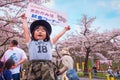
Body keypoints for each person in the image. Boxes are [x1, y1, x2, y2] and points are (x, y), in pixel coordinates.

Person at [21, 13, 70, 80]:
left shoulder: (49, 42)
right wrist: (24, 20)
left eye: (43, 31)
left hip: (47, 66)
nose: (40, 32)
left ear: (47, 34)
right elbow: (26, 31)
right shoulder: (30, 42)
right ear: (33, 33)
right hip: (33, 66)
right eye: (37, 30)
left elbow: (57, 36)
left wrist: (65, 29)